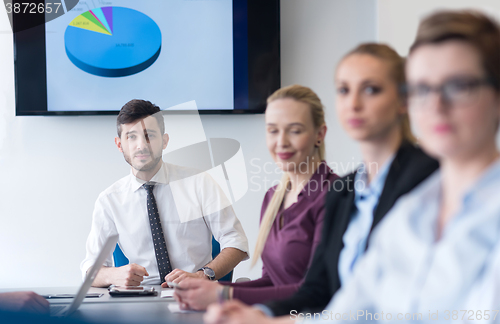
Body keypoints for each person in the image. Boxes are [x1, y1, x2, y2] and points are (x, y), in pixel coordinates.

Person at [205, 9, 500, 324]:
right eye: (423, 89)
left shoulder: (413, 188)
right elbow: (352, 307)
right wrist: (263, 318)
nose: (436, 105)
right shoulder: (413, 211)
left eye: (459, 85)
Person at [169, 85, 339, 310]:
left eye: (295, 130)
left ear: (320, 134)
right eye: (273, 130)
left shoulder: (336, 194)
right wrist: (208, 290)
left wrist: (223, 294)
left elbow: (317, 289)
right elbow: (273, 281)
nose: (282, 142)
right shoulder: (274, 197)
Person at [81, 100, 249, 287]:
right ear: (119, 144)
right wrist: (112, 276)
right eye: (131, 137)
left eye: (149, 135)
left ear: (165, 140)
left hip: (196, 291)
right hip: (140, 299)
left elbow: (237, 243)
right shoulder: (109, 201)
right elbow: (90, 269)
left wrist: (203, 276)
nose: (141, 145)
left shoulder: (200, 183)